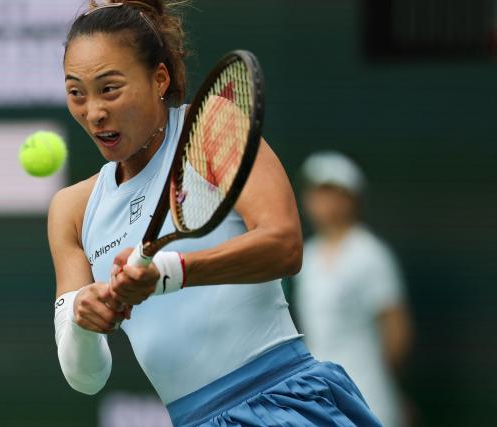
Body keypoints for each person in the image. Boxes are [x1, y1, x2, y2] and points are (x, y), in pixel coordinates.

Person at [49, 1, 382, 425]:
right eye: (76, 92)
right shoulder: (72, 210)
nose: (94, 112)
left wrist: (169, 273)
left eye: (109, 89)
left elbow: (285, 244)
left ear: (159, 79)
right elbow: (85, 377)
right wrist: (83, 319)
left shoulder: (210, 127)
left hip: (281, 401)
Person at [294, 151, 413, 427]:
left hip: (369, 393)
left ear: (351, 198)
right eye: (316, 193)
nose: (322, 201)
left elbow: (397, 331)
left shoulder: (371, 253)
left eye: (331, 192)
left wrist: (386, 383)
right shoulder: (306, 257)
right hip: (320, 398)